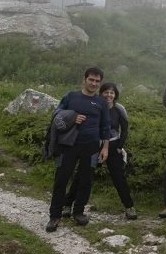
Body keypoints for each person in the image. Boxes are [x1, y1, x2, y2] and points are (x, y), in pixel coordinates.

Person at [46, 67, 111, 232]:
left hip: (91, 148)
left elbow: (105, 127)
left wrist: (105, 148)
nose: (94, 83)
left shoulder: (102, 103)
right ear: (85, 79)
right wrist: (73, 116)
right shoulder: (71, 96)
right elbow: (57, 113)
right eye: (91, 80)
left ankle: (79, 212)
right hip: (67, 145)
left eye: (97, 81)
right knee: (61, 179)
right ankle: (55, 216)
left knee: (86, 181)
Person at [61, 83, 136, 220]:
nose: (109, 95)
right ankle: (67, 204)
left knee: (118, 177)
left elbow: (124, 129)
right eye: (106, 92)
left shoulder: (119, 109)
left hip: (113, 146)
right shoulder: (95, 106)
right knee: (82, 176)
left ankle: (129, 207)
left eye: (112, 93)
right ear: (101, 94)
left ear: (115, 95)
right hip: (94, 145)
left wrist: (120, 146)